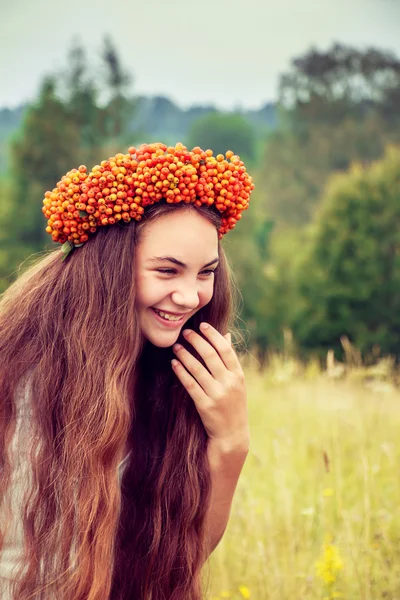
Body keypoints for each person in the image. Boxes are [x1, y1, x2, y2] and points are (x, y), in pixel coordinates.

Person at [0, 142, 254, 600]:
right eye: (167, 270)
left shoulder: (168, 370)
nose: (190, 296)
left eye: (205, 272)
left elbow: (179, 559)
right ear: (110, 266)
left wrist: (231, 444)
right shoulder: (23, 377)